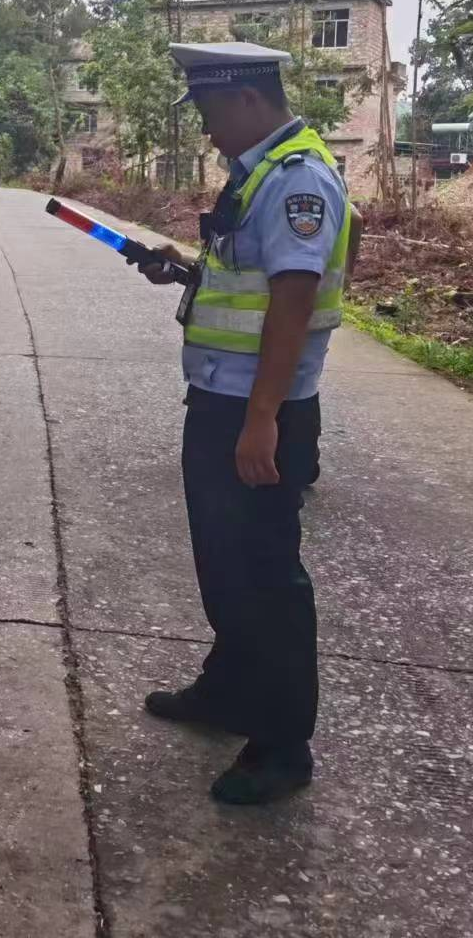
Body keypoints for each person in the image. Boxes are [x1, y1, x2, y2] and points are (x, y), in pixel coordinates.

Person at [136, 42, 360, 806]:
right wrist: (187, 269)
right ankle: (230, 689)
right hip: (224, 399)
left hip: (259, 409)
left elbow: (293, 302)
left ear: (247, 101)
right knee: (225, 562)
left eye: (207, 112)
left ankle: (282, 743)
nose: (205, 129)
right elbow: (253, 278)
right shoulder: (258, 172)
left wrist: (262, 417)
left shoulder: (300, 179)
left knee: (266, 576)